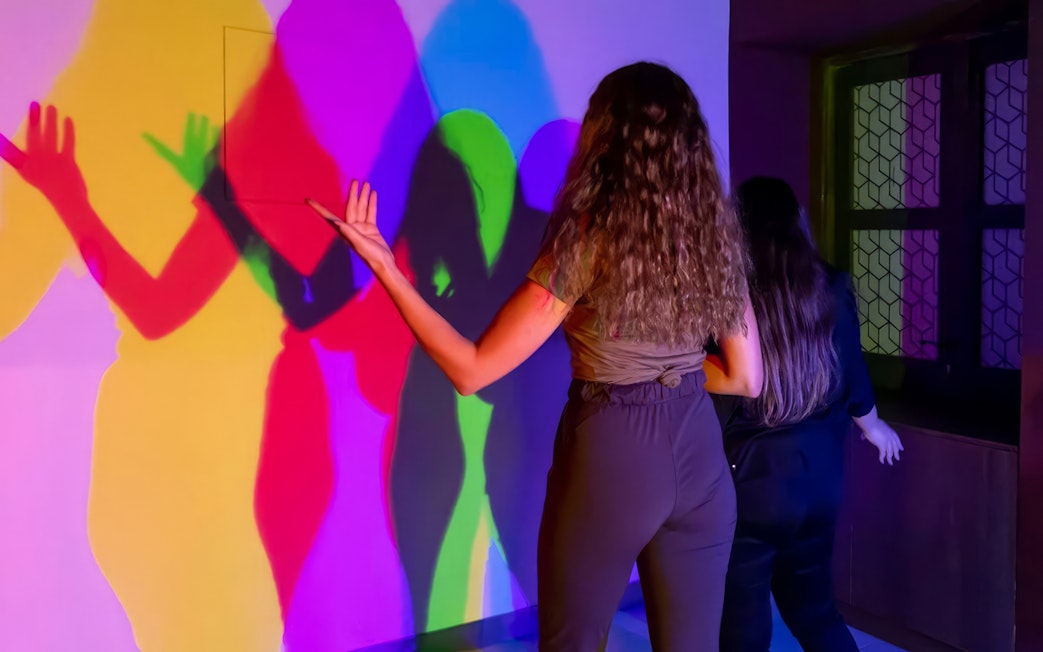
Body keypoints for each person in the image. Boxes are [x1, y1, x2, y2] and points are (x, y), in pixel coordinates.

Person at [308, 62, 764, 651]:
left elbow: (472, 371)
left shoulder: (589, 238)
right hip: (700, 453)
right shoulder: (714, 236)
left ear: (607, 140)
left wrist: (386, 268)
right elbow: (745, 376)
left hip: (615, 451)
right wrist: (666, 375)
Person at [713, 176, 903, 652]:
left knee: (742, 632)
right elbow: (854, 373)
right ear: (798, 222)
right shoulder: (831, 284)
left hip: (751, 486)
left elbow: (717, 394)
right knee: (818, 617)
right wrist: (873, 425)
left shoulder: (731, 297)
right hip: (819, 480)